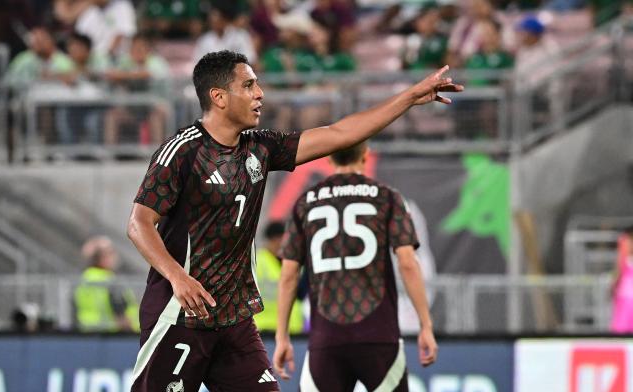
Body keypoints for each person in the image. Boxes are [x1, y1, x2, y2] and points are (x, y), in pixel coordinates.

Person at [126, 50, 461, 391]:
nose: (260, 94)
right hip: (179, 316)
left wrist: (408, 98)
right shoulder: (182, 151)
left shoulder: (260, 148)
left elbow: (340, 134)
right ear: (219, 97)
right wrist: (177, 277)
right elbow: (139, 223)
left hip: (233, 321)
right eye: (248, 85)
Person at [273, 142, 437, 391]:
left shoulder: (306, 202)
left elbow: (288, 275)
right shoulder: (387, 197)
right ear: (365, 155)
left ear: (327, 158)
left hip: (326, 338)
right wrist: (425, 324)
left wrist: (282, 335)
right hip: (378, 336)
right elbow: (407, 262)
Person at [74, 236, 139, 332]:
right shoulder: (110, 281)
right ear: (102, 258)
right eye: (111, 252)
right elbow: (120, 314)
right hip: (112, 337)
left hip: (87, 335)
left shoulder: (82, 280)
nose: (115, 257)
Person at [254, 221, 305, 333]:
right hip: (265, 329)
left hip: (293, 329)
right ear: (274, 240)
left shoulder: (289, 262)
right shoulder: (258, 262)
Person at [611, 226, 633, 333]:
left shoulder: (625, 246)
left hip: (627, 299)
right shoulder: (625, 255)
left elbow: (618, 271)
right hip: (625, 297)